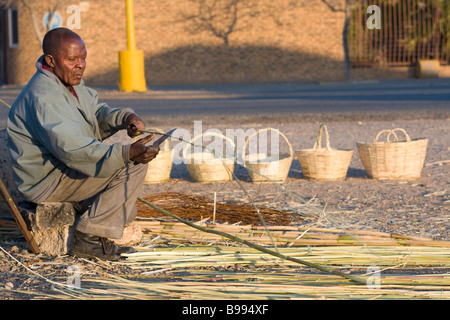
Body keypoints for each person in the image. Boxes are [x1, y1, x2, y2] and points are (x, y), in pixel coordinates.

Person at [7, 27, 159, 261]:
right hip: (47, 181)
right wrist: (127, 152)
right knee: (133, 165)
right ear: (51, 60)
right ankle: (88, 239)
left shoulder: (67, 81)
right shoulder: (44, 96)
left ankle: (95, 226)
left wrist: (124, 118)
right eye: (72, 59)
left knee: (126, 186)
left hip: (63, 170)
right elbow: (74, 150)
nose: (80, 65)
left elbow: (94, 112)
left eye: (83, 58)